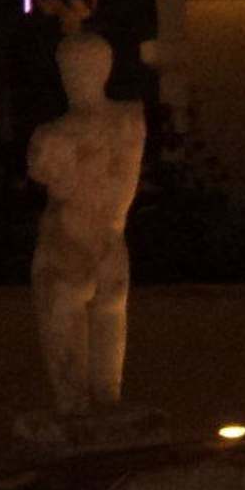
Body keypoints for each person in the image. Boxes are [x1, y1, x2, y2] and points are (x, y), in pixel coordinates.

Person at [27, 30, 145, 418]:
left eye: (80, 68)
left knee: (95, 326)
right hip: (90, 241)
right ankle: (86, 404)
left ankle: (88, 405)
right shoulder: (121, 123)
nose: (74, 76)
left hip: (84, 240)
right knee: (80, 327)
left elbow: (51, 177)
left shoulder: (66, 133)